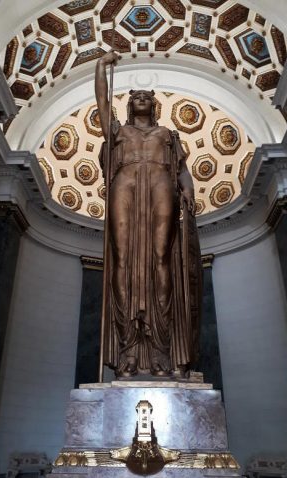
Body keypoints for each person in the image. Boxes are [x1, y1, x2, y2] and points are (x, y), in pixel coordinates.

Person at [95, 51, 202, 378]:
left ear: (154, 106)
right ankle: (129, 344)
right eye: (136, 96)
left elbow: (182, 169)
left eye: (146, 96)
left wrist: (189, 189)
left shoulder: (167, 135)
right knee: (123, 258)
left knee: (160, 258)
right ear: (129, 105)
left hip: (160, 183)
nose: (141, 98)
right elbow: (101, 102)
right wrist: (100, 67)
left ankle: (161, 347)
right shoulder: (117, 131)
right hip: (125, 183)